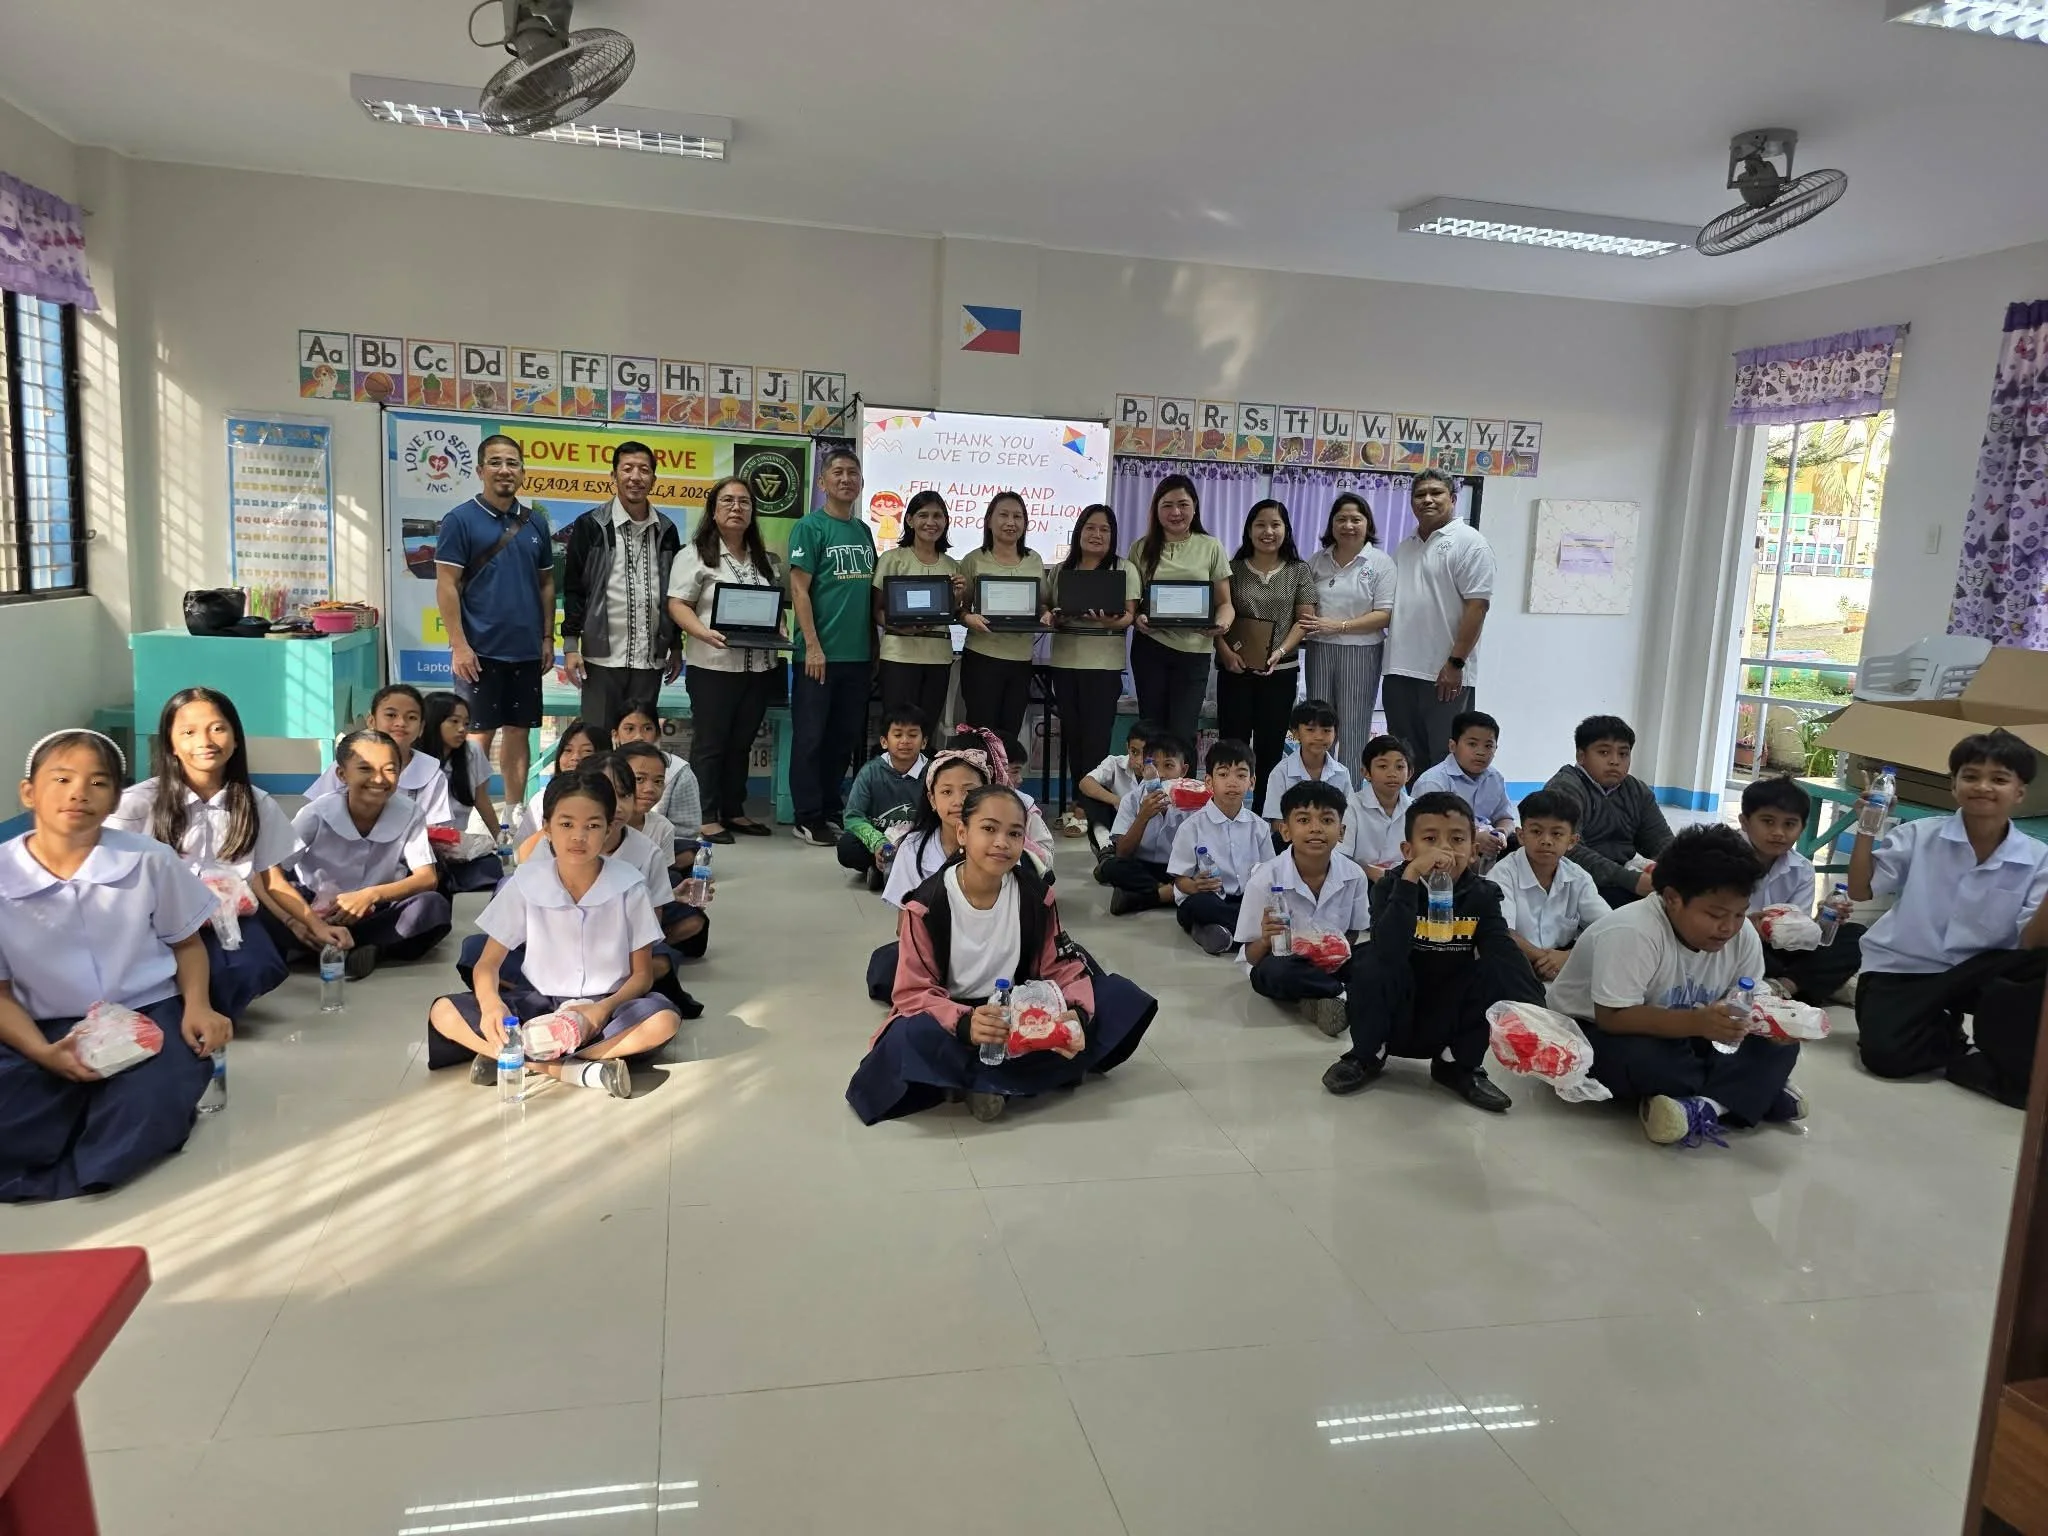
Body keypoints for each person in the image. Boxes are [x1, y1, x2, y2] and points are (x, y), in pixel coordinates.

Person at [0, 730, 233, 1202]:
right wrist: (44, 1054)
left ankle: (89, 1149)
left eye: (98, 782)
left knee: (152, 1100)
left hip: (145, 1014)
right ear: (28, 792)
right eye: (61, 779)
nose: (78, 793)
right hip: (38, 1024)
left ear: (114, 800)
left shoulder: (150, 861)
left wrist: (198, 1007)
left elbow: (187, 944)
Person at [847, 783, 1158, 1125]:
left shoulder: (1036, 897)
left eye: (1014, 833)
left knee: (1119, 996)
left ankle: (972, 1082)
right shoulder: (925, 905)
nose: (1001, 843)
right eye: (989, 829)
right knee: (913, 1036)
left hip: (1019, 1010)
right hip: (958, 1017)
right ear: (963, 833)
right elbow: (914, 993)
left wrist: (1075, 1016)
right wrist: (965, 1023)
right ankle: (1015, 1077)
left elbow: (1061, 966)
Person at [427, 770, 681, 1100]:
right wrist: (492, 1007)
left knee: (662, 1020)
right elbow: (488, 964)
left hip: (606, 1005)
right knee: (443, 1011)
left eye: (592, 825)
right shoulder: (526, 881)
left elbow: (643, 975)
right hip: (537, 1004)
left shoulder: (630, 884)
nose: (579, 836)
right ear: (547, 827)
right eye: (566, 824)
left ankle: (515, 1059)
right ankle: (578, 1069)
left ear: (608, 830)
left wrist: (600, 1012)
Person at [1547, 826, 1802, 1148]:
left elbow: (1749, 996)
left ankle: (1705, 1106)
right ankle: (1751, 1092)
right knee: (1647, 1061)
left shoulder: (1740, 934)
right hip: (1594, 1030)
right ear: (1672, 899)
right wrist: (1699, 1024)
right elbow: (1613, 1017)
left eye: (1739, 914)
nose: (1729, 927)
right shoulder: (1633, 931)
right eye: (1715, 914)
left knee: (1780, 1044)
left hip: (1687, 1029)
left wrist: (1771, 1020)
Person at [1850, 729, 2048, 1105]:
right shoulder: (1920, 836)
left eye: (1999, 779)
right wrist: (1867, 827)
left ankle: (1999, 1057)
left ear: (2020, 792)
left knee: (2041, 965)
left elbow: (2033, 945)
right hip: (1906, 965)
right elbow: (1861, 890)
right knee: (1885, 1058)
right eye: (1971, 776)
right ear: (1953, 786)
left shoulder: (2038, 858)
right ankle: (1950, 1040)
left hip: (1981, 966)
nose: (1983, 787)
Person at [111, 687, 332, 1018]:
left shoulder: (256, 803)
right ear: (171, 743)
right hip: (154, 923)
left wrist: (314, 924)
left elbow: (272, 881)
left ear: (236, 737)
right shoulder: (137, 803)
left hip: (226, 919)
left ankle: (194, 1001)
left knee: (260, 968)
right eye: (188, 732)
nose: (205, 741)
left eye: (217, 728)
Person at [1320, 791, 1537, 1111]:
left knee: (1492, 972)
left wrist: (1536, 1011)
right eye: (1431, 839)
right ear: (1408, 850)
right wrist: (1409, 879)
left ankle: (1457, 1065)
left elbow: (1501, 950)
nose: (1445, 849)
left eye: (1457, 839)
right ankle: (1367, 1055)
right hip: (1396, 1007)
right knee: (1369, 961)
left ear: (1473, 851)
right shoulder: (1391, 886)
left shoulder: (1483, 894)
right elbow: (1389, 949)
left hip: (1447, 1008)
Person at [435, 433, 555, 827]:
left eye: (513, 463)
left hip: (524, 650)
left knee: (518, 734)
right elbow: (447, 584)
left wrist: (546, 638)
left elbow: (545, 585)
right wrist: (459, 646)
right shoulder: (459, 519)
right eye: (496, 462)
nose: (505, 470)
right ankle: (472, 815)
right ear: (481, 469)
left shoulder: (535, 520)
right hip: (479, 651)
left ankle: (515, 813)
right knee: (476, 738)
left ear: (522, 471)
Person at [667, 476, 782, 842]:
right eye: (728, 501)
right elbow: (677, 605)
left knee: (742, 743)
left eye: (744, 502)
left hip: (759, 666)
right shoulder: (696, 554)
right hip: (713, 666)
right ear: (713, 511)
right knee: (711, 743)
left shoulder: (762, 558)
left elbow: (773, 606)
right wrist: (702, 633)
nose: (737, 508)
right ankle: (705, 814)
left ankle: (734, 810)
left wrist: (776, 626)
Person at [285, 729, 453, 975]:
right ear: (342, 774)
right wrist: (304, 918)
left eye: (390, 769)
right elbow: (273, 871)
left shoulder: (410, 813)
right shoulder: (315, 813)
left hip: (376, 910)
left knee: (433, 906)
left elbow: (427, 877)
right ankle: (363, 945)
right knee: (266, 910)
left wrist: (370, 895)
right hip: (318, 909)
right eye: (365, 769)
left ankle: (340, 948)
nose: (378, 779)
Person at [787, 448, 878, 847]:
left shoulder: (863, 531)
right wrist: (812, 646)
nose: (846, 479)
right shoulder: (810, 527)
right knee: (811, 738)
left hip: (857, 657)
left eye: (853, 473)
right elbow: (799, 589)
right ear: (822, 482)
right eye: (837, 472)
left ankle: (829, 806)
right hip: (818, 656)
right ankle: (806, 815)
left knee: (842, 738)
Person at [561, 440, 683, 729]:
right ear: (613, 476)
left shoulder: (666, 530)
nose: (635, 477)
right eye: (627, 469)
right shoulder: (590, 525)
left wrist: (676, 645)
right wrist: (570, 645)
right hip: (601, 658)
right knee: (599, 739)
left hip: (650, 660)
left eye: (644, 469)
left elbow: (675, 593)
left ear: (654, 478)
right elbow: (575, 587)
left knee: (638, 744)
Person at [1236, 780, 1371, 1037]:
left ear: (1341, 831)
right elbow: (1251, 957)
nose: (1316, 829)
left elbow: (1353, 933)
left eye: (1327, 820)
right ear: (1285, 831)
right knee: (1273, 972)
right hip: (1286, 964)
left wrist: (1333, 949)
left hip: (1333, 962)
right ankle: (1340, 993)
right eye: (1304, 820)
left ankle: (1316, 998)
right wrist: (1265, 939)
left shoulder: (1354, 875)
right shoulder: (1264, 879)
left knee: (1377, 955)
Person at [1381, 469, 1493, 777]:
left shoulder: (1471, 543)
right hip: (1399, 670)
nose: (1427, 499)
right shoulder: (1406, 547)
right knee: (1405, 759)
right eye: (1420, 495)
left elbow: (1477, 607)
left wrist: (1455, 662)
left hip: (1445, 674)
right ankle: (1415, 823)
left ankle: (1446, 824)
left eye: (1436, 493)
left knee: (1446, 760)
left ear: (1453, 499)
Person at [868, 746, 994, 1000]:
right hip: (934, 949)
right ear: (933, 801)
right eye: (947, 792)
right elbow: (905, 928)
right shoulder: (913, 847)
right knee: (886, 966)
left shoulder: (1001, 844)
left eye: (970, 791)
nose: (959, 801)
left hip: (990, 949)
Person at [1049, 505, 1139, 840]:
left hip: (1103, 665)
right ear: (1079, 531)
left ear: (1113, 535)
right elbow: (1046, 607)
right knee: (1073, 737)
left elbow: (1130, 615)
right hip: (1065, 663)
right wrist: (1053, 615)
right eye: (1090, 527)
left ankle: (1091, 809)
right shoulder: (1061, 570)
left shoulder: (1123, 568)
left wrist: (1109, 620)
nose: (1097, 534)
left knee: (1097, 740)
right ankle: (1078, 804)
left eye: (1104, 529)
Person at [1217, 499, 1316, 796]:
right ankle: (1226, 815)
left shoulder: (1299, 570)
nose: (1268, 531)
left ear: (1286, 530)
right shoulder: (1231, 569)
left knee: (1270, 750)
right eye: (1260, 524)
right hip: (1234, 670)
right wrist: (1224, 652)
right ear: (1249, 530)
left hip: (1280, 673)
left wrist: (1280, 652)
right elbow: (1218, 614)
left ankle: (1265, 823)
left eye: (1275, 524)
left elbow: (1304, 620)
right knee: (1231, 749)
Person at [1739, 775, 1863, 1004]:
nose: (1778, 832)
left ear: (1802, 828)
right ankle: (1808, 982)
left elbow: (1798, 936)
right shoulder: (1723, 857)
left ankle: (1782, 986)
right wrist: (1746, 923)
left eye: (1789, 824)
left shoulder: (1802, 869)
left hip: (1777, 951)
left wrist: (1823, 920)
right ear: (1745, 822)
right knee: (1740, 947)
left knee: (1854, 936)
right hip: (1733, 940)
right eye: (1768, 821)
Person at [1129, 475, 1234, 743]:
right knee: (1150, 732)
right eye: (1167, 505)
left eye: (1183, 504)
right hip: (1150, 649)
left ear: (1195, 507)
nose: (1175, 512)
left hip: (1194, 653)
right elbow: (1135, 603)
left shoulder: (1211, 546)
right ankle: (1150, 787)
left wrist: (1222, 623)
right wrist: (1138, 619)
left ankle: (1180, 787)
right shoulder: (1140, 548)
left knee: (1182, 734)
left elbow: (1225, 604)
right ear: (1156, 509)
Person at [1300, 492, 1397, 775]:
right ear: (1331, 524)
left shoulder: (1380, 563)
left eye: (1356, 519)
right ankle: (1317, 790)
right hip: (1320, 649)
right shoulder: (1317, 561)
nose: (1348, 525)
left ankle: (1351, 795)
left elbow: (1384, 614)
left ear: (1368, 524)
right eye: (1341, 519)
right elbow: (1304, 604)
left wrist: (1339, 626)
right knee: (1318, 724)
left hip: (1362, 650)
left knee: (1354, 725)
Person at [1542, 715, 1673, 908]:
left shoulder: (1637, 790)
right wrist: (1631, 881)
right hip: (1573, 883)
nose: (1615, 761)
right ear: (1581, 756)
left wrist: (1676, 869)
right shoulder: (1564, 789)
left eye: (1623, 754)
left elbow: (1661, 841)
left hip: (1622, 877)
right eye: (1604, 752)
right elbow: (1567, 851)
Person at [1488, 789, 1610, 982]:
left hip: (1564, 963)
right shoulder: (1502, 874)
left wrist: (1568, 958)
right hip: (1516, 962)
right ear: (1521, 835)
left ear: (1572, 841)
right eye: (1536, 831)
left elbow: (1608, 928)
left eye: (1557, 834)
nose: (1546, 841)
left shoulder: (1578, 877)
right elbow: (1502, 932)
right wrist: (1546, 960)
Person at [958, 491, 1048, 743]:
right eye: (1004, 515)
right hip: (982, 658)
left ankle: (1004, 783)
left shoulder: (1034, 559)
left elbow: (1042, 604)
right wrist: (968, 618)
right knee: (981, 735)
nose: (1011, 522)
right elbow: (960, 608)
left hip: (1021, 661)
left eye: (1018, 516)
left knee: (1009, 734)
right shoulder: (973, 560)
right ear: (988, 521)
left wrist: (1047, 613)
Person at [1166, 739, 1267, 956]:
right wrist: (1195, 886)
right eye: (1223, 774)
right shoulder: (1191, 827)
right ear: (1209, 782)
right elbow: (1180, 880)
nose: (1232, 782)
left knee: (1273, 905)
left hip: (1244, 900)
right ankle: (1251, 934)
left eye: (1241, 775)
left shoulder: (1260, 827)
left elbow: (1270, 874)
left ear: (1252, 782)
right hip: (1207, 898)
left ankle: (1220, 935)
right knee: (1198, 907)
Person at [306, 684, 454, 829]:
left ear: (421, 728)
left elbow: (435, 829)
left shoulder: (431, 774)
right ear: (371, 721)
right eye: (391, 715)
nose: (401, 723)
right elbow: (317, 813)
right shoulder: (346, 763)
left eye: (411, 717)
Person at [872, 490, 960, 732]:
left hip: (938, 657)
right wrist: (897, 627)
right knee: (899, 731)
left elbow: (953, 612)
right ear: (909, 520)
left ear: (946, 521)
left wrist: (958, 597)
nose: (930, 522)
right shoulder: (892, 559)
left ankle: (923, 772)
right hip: (899, 656)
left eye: (938, 516)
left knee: (926, 731)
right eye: (923, 515)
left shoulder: (952, 565)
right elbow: (877, 610)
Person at [1098, 733, 1193, 916]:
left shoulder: (1194, 801)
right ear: (1143, 769)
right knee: (1113, 867)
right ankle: (1168, 894)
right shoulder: (1131, 800)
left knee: (1207, 874)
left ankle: (1145, 897)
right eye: (1153, 766)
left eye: (1169, 765)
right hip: (1143, 866)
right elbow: (1123, 853)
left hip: (1178, 870)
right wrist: (1143, 817)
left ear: (1183, 771)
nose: (1161, 774)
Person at [837, 705, 930, 891]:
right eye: (897, 735)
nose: (905, 741)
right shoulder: (870, 772)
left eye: (912, 735)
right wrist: (878, 843)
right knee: (847, 847)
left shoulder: (934, 773)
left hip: (917, 839)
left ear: (924, 742)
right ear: (884, 741)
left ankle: (889, 873)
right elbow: (853, 817)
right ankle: (882, 866)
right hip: (881, 840)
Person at [1413, 710, 1515, 854]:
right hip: (1447, 851)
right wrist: (1473, 838)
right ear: (1452, 746)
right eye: (1472, 744)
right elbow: (1428, 832)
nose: (1481, 752)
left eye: (1488, 746)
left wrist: (1502, 833)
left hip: (1487, 846)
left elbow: (1505, 817)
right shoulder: (1433, 782)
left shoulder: (1495, 778)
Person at [418, 690, 504, 844]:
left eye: (466, 723)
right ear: (433, 721)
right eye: (454, 721)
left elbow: (481, 798)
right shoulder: (413, 757)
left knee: (489, 864)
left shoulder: (472, 751)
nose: (462, 729)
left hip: (455, 841)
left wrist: (499, 836)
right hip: (418, 842)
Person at [611, 703, 701, 848]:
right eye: (629, 729)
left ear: (658, 733)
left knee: (687, 854)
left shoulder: (678, 770)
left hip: (664, 843)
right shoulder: (605, 767)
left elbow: (686, 832)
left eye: (647, 728)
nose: (638, 736)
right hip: (609, 841)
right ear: (615, 735)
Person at [511, 719, 609, 842]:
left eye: (587, 751)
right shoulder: (540, 800)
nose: (575, 758)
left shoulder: (610, 799)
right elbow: (521, 847)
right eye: (568, 750)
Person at [1262, 698, 1352, 831]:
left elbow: (1348, 820)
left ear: (1335, 734)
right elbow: (1277, 824)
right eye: (1310, 730)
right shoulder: (1280, 773)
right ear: (1296, 733)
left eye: (1326, 730)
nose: (1319, 737)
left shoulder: (1342, 773)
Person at [1337, 733, 1411, 881]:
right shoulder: (1350, 806)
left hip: (1406, 880)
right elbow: (1341, 857)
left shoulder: (1416, 808)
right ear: (1365, 772)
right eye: (1383, 766)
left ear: (1409, 773)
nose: (1392, 773)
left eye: (1399, 766)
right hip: (1360, 881)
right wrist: (1370, 872)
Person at [1077, 721, 1156, 855]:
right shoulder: (1115, 762)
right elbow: (1085, 782)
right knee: (1090, 794)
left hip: (1147, 830)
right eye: (1134, 752)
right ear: (1127, 747)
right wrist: (1119, 801)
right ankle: (1105, 847)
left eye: (1146, 754)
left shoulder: (1162, 771)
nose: (1138, 760)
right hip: (1117, 827)